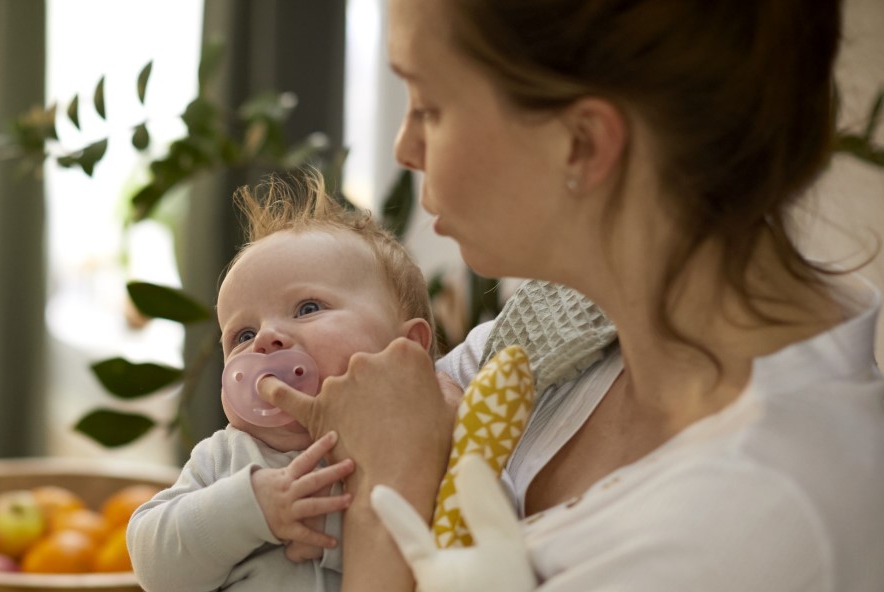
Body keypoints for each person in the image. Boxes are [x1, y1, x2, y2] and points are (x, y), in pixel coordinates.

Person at [258, 0, 884, 590]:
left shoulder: (756, 522)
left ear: (582, 144)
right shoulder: (565, 331)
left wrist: (382, 492)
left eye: (429, 105)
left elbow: (386, 434)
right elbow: (381, 404)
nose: (406, 149)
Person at [126, 169, 438, 592]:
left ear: (408, 352)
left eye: (308, 307)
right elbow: (152, 563)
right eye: (243, 335)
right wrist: (250, 508)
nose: (266, 340)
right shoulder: (227, 459)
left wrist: (331, 523)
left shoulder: (427, 449)